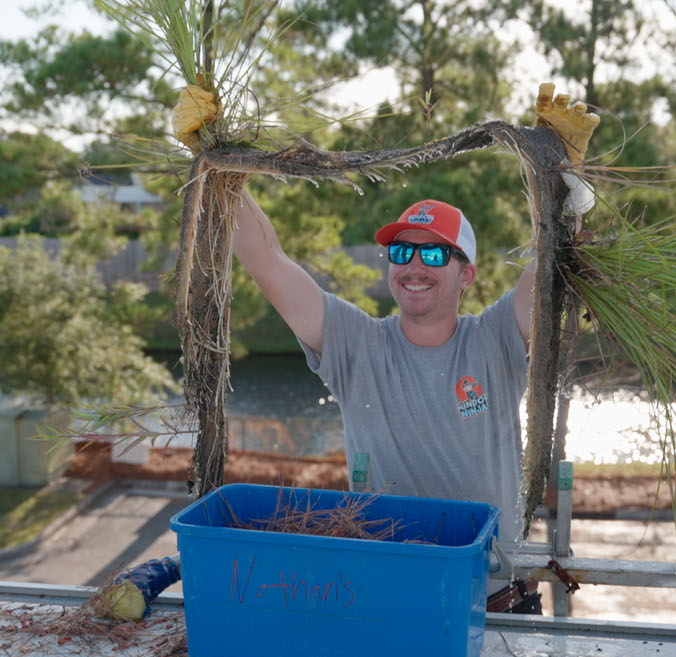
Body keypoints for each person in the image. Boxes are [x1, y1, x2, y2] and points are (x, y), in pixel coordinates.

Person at [174, 84, 598, 614]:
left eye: (434, 254)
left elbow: (551, 261)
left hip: (493, 603)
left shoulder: (496, 340)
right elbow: (269, 262)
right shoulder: (357, 345)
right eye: (401, 250)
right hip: (386, 601)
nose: (414, 266)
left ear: (466, 274)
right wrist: (215, 161)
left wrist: (564, 176)